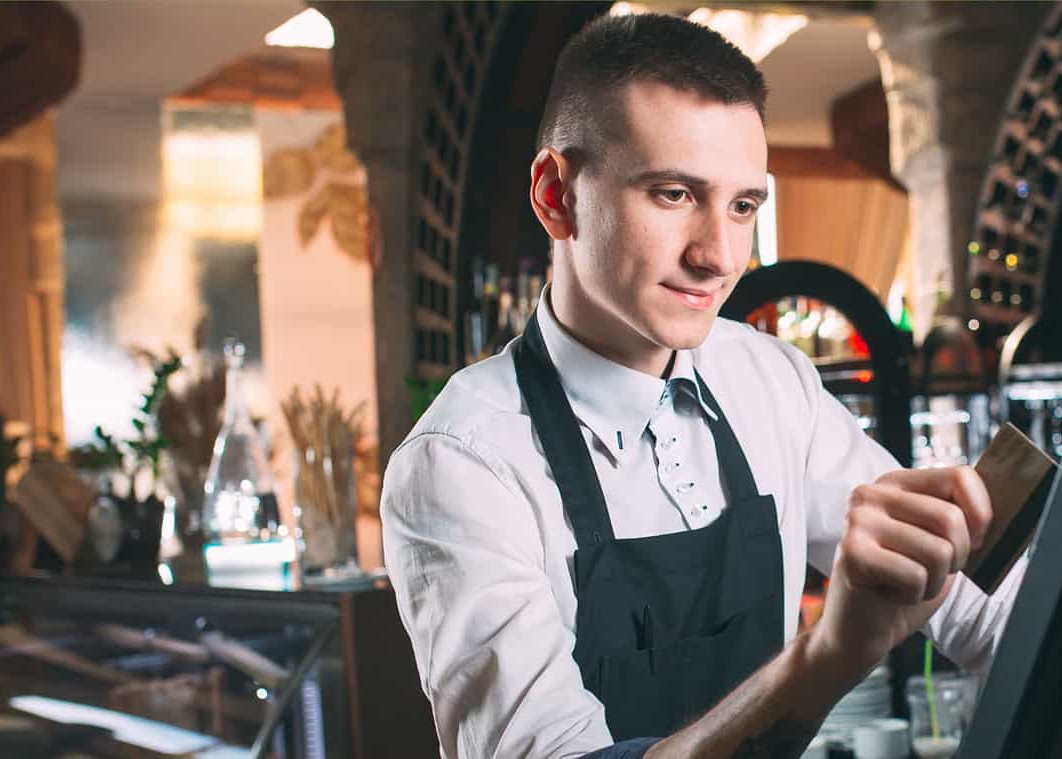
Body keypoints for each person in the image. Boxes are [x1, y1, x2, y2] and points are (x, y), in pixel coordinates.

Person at [381, 13, 1025, 759]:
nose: (719, 255)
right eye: (674, 194)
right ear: (556, 196)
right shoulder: (463, 462)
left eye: (744, 206)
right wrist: (823, 660)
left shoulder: (769, 380)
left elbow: (983, 611)